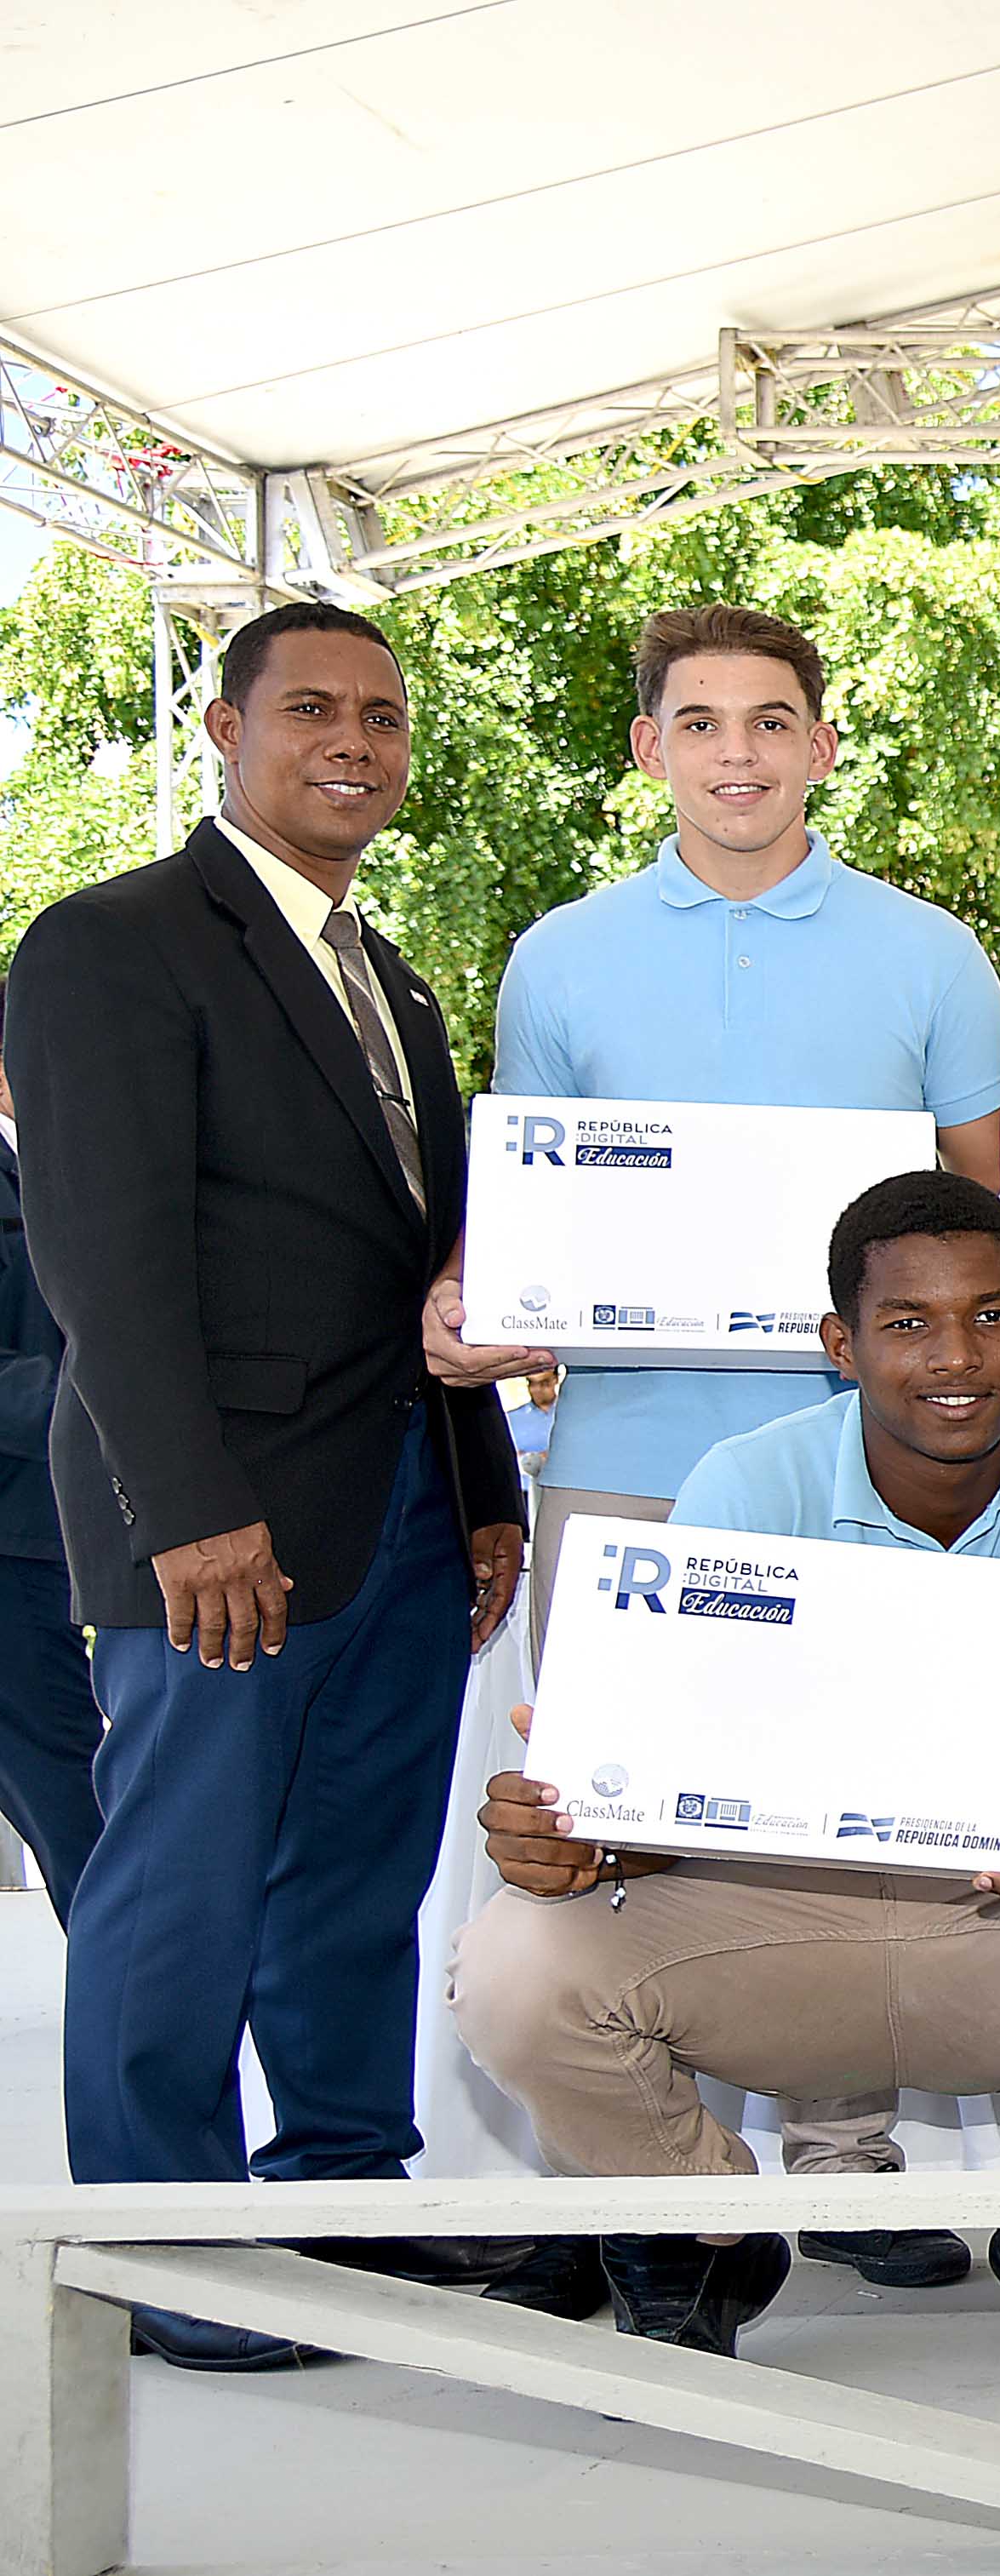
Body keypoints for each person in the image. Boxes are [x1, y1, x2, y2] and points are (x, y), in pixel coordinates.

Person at [449, 1173, 1000, 2373]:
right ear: (840, 1346)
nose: (957, 1355)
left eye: (991, 1315)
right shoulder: (748, 1481)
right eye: (907, 1322)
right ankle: (697, 2230)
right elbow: (662, 1793)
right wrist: (578, 1827)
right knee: (511, 1960)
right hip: (781, 1929)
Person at [418, 603, 1000, 2293]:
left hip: (854, 1463)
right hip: (623, 1446)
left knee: (848, 1810)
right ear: (648, 750)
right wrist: (478, 1289)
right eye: (699, 723)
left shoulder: (929, 955)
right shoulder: (561, 956)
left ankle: (845, 2153)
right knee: (599, 1806)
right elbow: (529, 1207)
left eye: (767, 721)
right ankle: (630, 2180)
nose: (736, 753)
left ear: (822, 744)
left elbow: (976, 1211)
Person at [5, 604, 532, 2369]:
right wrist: (185, 1512)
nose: (355, 742)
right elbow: (101, 1259)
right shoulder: (114, 943)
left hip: (399, 1507)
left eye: (384, 715)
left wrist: (480, 1486)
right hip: (217, 1523)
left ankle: (343, 2202)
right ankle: (169, 2256)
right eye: (311, 708)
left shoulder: (394, 981)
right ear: (227, 730)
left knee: (356, 1883)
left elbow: (427, 1268)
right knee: (179, 1887)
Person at [0, 985, 102, 1919]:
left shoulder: (54, 1172)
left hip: (49, 1536)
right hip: (12, 1545)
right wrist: (111, 1410)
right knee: (78, 1809)